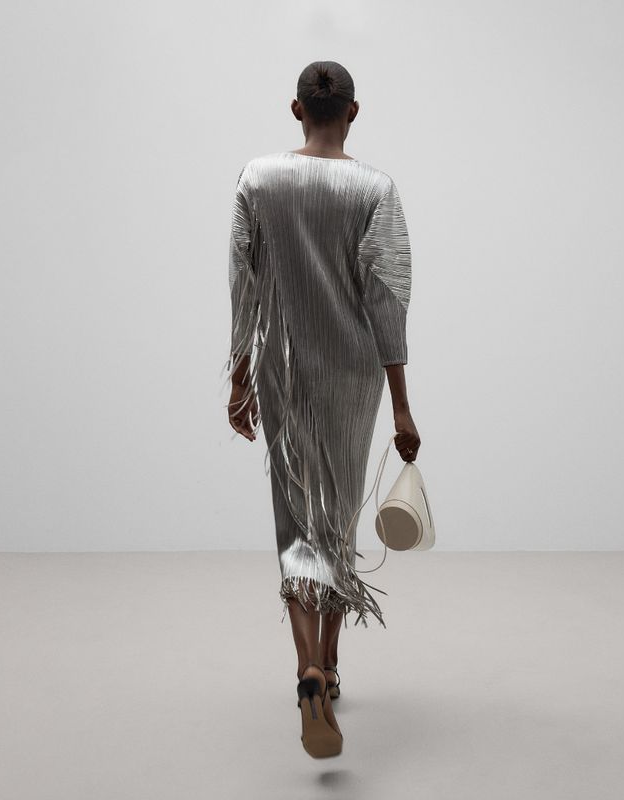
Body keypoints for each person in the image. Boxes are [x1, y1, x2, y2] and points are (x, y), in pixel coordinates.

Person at [222, 60, 421, 758]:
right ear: (353, 112)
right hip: (351, 376)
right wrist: (402, 407)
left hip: (283, 370)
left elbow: (244, 280)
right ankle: (329, 670)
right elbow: (387, 299)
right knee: (335, 517)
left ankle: (309, 666)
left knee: (296, 519)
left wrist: (240, 377)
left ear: (296, 108)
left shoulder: (258, 179)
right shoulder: (375, 190)